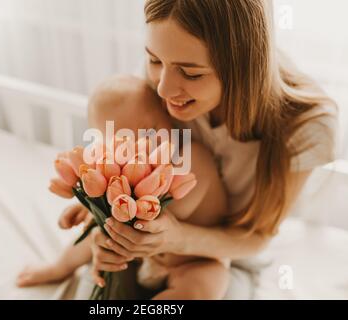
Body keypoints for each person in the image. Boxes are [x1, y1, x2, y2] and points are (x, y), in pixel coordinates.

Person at [84, 0, 337, 299]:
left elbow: (255, 239)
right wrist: (100, 224)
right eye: (153, 60)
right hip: (148, 239)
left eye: (191, 74)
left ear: (243, 68)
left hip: (221, 255)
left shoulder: (306, 126)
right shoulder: (169, 69)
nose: (163, 89)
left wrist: (177, 240)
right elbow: (128, 165)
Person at [17, 75, 231, 299]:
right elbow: (118, 216)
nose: (142, 151)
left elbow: (158, 216)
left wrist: (100, 214)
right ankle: (59, 268)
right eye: (124, 147)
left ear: (167, 114)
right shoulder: (121, 177)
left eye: (150, 131)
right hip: (141, 257)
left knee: (203, 285)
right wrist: (91, 209)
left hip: (191, 261)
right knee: (100, 232)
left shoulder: (193, 158)